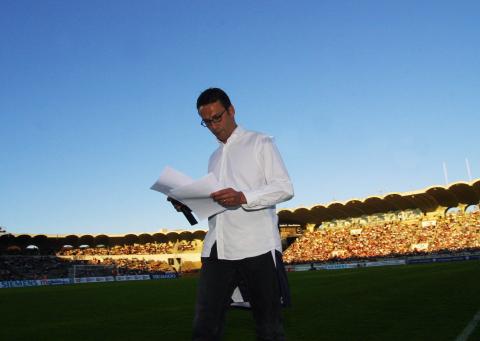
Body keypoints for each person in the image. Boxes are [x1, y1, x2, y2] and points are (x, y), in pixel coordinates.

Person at [192, 87, 294, 340]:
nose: (214, 126)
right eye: (207, 122)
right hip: (218, 246)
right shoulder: (213, 158)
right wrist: (190, 203)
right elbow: (214, 202)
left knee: (268, 328)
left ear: (231, 111)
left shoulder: (260, 142)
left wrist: (243, 197)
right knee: (204, 327)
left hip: (256, 245)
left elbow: (284, 188)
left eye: (217, 117)